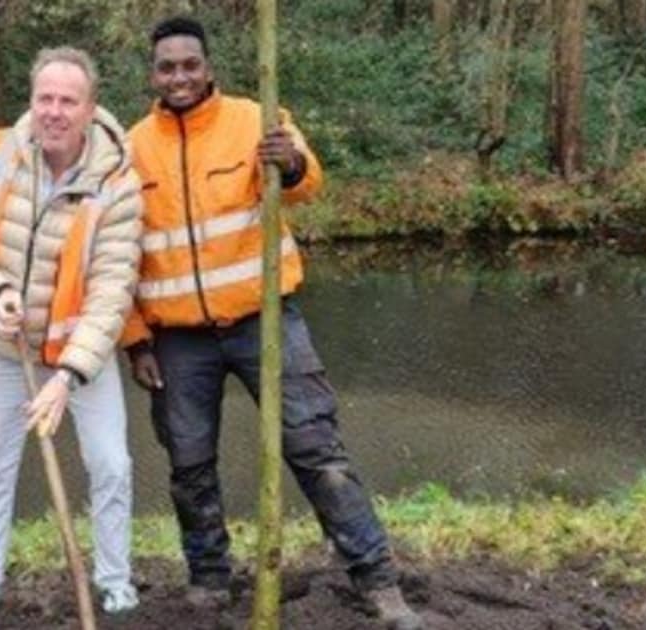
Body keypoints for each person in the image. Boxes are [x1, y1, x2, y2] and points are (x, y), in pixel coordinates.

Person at [120, 17, 422, 630]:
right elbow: (117, 253)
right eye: (167, 67)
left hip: (265, 320)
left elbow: (307, 184)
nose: (179, 76)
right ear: (152, 75)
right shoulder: (130, 148)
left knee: (315, 445)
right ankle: (209, 577)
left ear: (209, 68)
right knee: (188, 461)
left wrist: (294, 162)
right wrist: (134, 338)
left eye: (189, 65)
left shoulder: (255, 118)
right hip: (177, 338)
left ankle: (376, 578)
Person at [0, 46, 142, 621]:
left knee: (111, 465)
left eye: (67, 100)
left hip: (82, 361)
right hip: (5, 352)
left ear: (90, 108)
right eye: (44, 98)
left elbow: (112, 290)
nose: (54, 111)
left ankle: (116, 580)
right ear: (32, 100)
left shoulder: (117, 182)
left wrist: (68, 375)